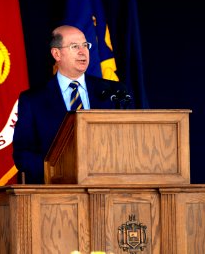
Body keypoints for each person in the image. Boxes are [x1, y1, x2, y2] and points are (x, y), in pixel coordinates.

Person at [12, 25, 129, 184]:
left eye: (85, 45)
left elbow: (128, 141)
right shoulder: (33, 100)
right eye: (75, 46)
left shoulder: (114, 92)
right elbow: (23, 155)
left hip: (107, 187)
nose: (83, 51)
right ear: (56, 53)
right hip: (56, 192)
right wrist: (58, 170)